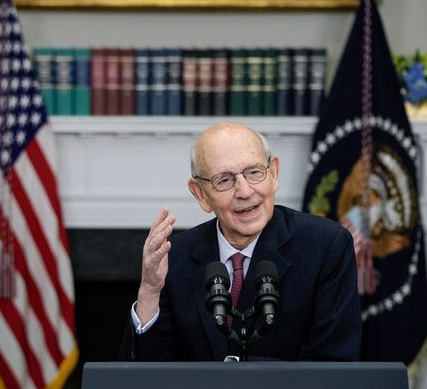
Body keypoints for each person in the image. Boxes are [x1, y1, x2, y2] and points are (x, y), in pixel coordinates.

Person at [119, 122, 361, 362]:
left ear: (274, 173)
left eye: (254, 172)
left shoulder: (326, 246)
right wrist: (149, 291)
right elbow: (143, 380)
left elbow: (333, 366)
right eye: (224, 180)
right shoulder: (176, 257)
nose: (244, 191)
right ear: (201, 194)